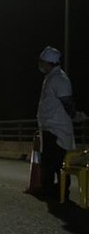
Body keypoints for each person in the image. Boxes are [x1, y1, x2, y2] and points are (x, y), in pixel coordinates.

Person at [35, 46, 82, 201]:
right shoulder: (51, 77)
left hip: (57, 128)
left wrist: (74, 115)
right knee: (50, 162)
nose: (40, 65)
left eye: (42, 62)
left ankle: (58, 193)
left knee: (55, 163)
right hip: (50, 127)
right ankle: (52, 191)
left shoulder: (60, 79)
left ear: (49, 62)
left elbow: (67, 102)